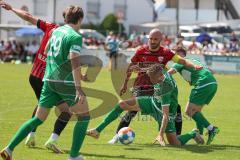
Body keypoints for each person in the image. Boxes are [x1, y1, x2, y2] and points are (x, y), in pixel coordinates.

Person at [1, 5, 89, 160]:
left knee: (38, 119)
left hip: (48, 80)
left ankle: (9, 149)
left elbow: (48, 49)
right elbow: (74, 61)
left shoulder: (55, 31)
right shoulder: (75, 36)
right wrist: (78, 88)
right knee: (84, 116)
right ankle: (73, 156)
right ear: (80, 19)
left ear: (66, 18)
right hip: (64, 82)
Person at [108, 28, 202, 144]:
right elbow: (131, 67)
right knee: (131, 111)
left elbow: (182, 61)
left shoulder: (166, 52)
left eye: (155, 39)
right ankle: (118, 135)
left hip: (157, 87)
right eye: (151, 39)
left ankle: (176, 136)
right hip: (141, 86)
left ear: (160, 40)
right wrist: (125, 84)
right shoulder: (140, 51)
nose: (152, 41)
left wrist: (193, 66)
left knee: (175, 108)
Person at [87, 64, 204, 146]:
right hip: (152, 102)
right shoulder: (160, 71)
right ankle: (97, 130)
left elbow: (165, 115)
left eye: (152, 78)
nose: (150, 81)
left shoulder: (166, 88)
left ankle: (193, 133)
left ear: (159, 77)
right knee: (122, 104)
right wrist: (141, 69)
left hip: (165, 113)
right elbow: (155, 68)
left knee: (175, 143)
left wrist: (160, 134)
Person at [168, 47, 219, 145]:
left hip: (202, 83)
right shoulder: (194, 60)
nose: (173, 57)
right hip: (213, 83)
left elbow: (169, 73)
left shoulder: (180, 62)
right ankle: (199, 135)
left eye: (175, 54)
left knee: (189, 111)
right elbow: (210, 70)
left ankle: (211, 129)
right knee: (196, 111)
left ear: (179, 54)